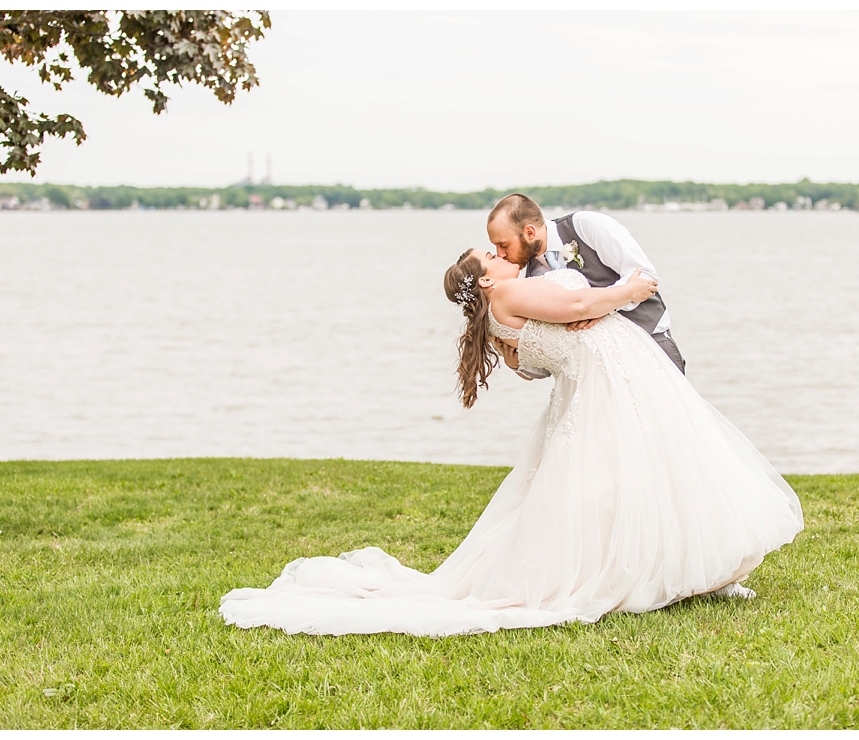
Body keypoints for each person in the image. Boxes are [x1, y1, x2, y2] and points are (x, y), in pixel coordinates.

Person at [218, 243, 804, 638]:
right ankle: (659, 574)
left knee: (624, 487)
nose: (503, 256)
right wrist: (629, 289)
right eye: (492, 256)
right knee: (633, 483)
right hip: (607, 392)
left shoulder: (495, 316)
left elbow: (534, 360)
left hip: (597, 394)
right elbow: (576, 304)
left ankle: (685, 571)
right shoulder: (508, 294)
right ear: (486, 279)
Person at [486, 193, 685, 379]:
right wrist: (518, 364)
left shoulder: (586, 225)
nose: (500, 253)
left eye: (503, 245)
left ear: (529, 232)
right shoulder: (531, 281)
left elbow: (645, 277)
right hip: (600, 375)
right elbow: (553, 354)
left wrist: (598, 307)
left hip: (651, 345)